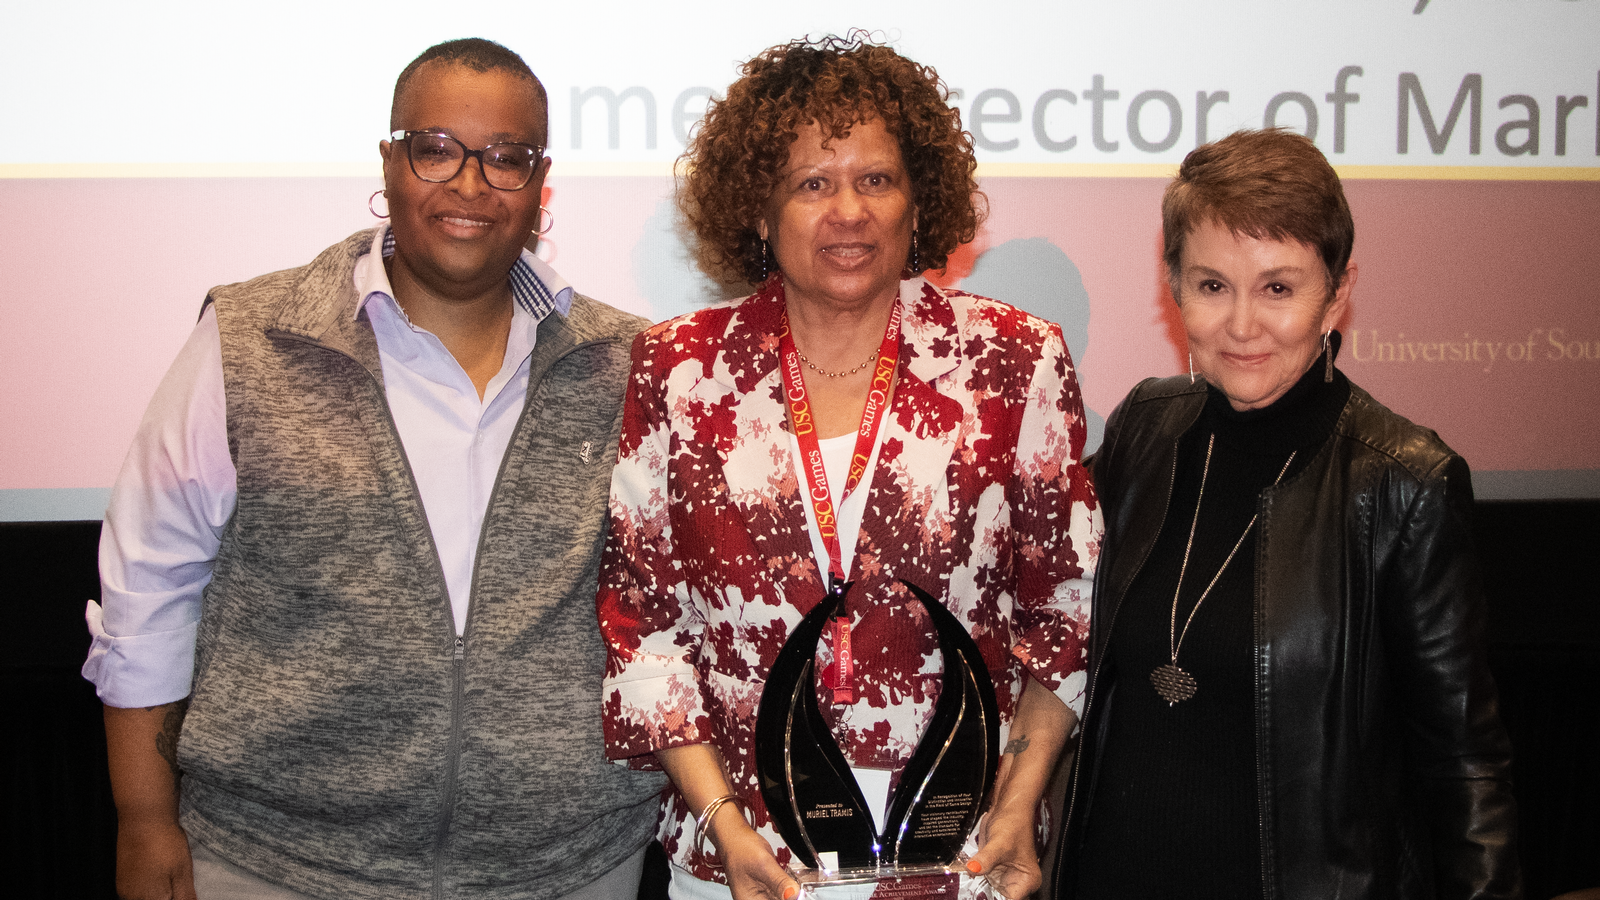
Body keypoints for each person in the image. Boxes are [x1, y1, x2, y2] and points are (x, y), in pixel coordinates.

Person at [83, 38, 666, 900]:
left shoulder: (624, 362)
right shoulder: (249, 342)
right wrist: (142, 818)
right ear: (390, 163)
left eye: (505, 159)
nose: (470, 185)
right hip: (276, 863)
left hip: (567, 867)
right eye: (437, 150)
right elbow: (150, 588)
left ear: (541, 186)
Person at [597, 34, 1100, 900]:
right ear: (759, 211)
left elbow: (1064, 607)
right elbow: (642, 622)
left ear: (917, 202)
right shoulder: (679, 370)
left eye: (876, 180)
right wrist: (720, 820)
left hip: (963, 855)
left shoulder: (1014, 362)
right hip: (746, 863)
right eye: (812, 184)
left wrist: (1019, 806)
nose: (849, 212)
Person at [1051, 129, 1521, 900]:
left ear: (1337, 294)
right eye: (1212, 286)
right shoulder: (1145, 428)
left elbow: (1464, 765)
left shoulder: (1404, 484)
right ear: (1173, 286)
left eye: (1278, 288)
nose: (1241, 326)